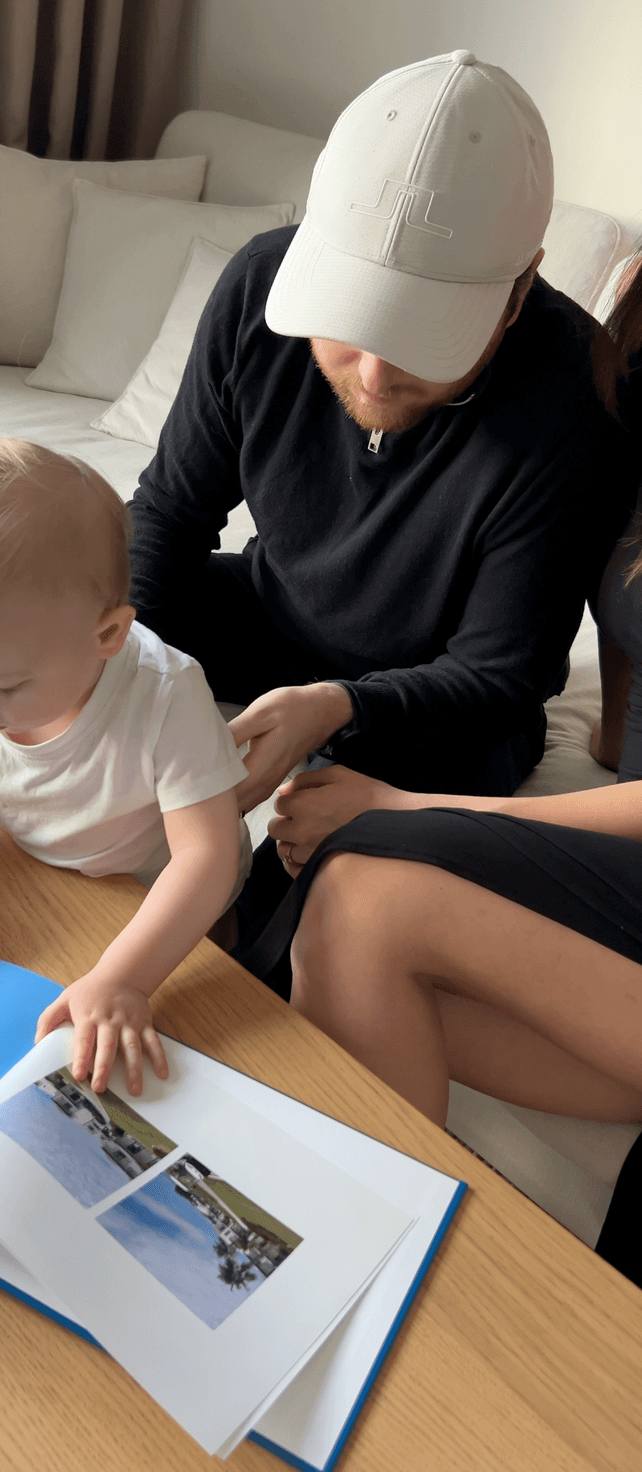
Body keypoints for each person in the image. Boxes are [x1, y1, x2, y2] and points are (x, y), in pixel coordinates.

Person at [129, 53, 638, 960]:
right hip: (272, 608)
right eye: (354, 316)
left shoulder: (578, 398)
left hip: (444, 702)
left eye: (420, 335)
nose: (372, 373)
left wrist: (336, 709)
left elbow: (501, 675)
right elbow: (166, 520)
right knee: (62, 627)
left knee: (308, 886)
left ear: (520, 290)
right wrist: (115, 688)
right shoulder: (259, 288)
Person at [248, 254, 642, 1285]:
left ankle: (336, 1285)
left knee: (369, 878)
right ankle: (342, 1287)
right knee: (339, 930)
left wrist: (412, 805)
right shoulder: (620, 366)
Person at [0, 438, 250, 1096]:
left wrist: (129, 975)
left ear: (106, 636)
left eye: (6, 686)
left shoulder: (167, 696)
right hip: (44, 884)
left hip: (160, 904)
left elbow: (207, 860)